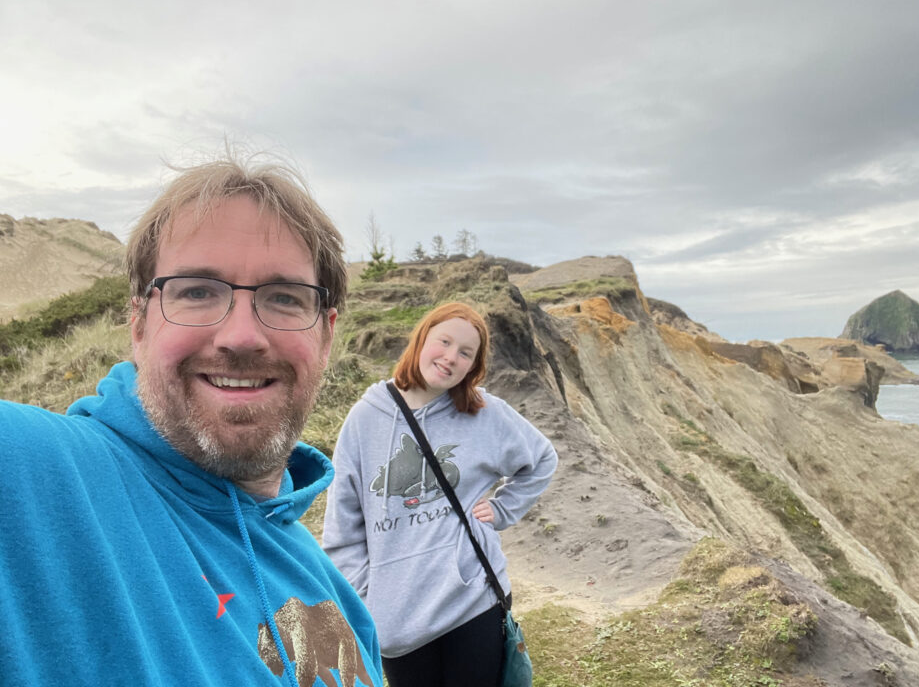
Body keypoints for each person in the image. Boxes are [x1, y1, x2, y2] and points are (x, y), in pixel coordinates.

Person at [0, 152, 383, 687]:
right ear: (138, 323)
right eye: (198, 292)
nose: (242, 335)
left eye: (284, 298)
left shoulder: (336, 596)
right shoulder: (31, 474)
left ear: (325, 333)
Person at [322, 302, 558, 687]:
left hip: (472, 602)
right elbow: (342, 528)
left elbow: (542, 460)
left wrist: (501, 511)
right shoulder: (365, 419)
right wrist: (369, 599)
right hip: (397, 620)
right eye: (444, 341)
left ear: (473, 366)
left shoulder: (484, 414)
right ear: (421, 340)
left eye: (466, 352)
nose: (451, 357)